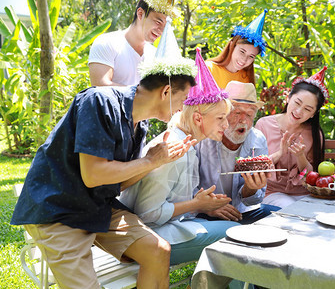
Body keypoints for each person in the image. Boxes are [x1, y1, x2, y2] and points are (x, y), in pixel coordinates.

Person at [10, 16, 197, 289]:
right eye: (183, 100)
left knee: (159, 250)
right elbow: (94, 175)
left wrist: (157, 162)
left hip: (98, 208)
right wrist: (149, 160)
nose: (183, 109)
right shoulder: (99, 101)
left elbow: (117, 182)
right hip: (59, 211)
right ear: (166, 91)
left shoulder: (139, 124)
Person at [119, 48, 239, 265]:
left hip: (161, 229)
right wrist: (196, 205)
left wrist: (206, 205)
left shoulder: (187, 144)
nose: (227, 125)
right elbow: (148, 214)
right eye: (221, 117)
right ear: (198, 118)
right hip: (147, 239)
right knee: (237, 236)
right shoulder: (174, 148)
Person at [195, 81, 280, 224]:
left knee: (278, 216)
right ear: (223, 113)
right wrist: (208, 208)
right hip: (201, 212)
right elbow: (185, 190)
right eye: (237, 112)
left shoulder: (257, 140)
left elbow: (253, 200)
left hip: (238, 212)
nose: (243, 120)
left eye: (249, 114)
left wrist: (251, 188)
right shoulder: (204, 138)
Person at [255, 67, 328, 208]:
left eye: (307, 109)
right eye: (297, 103)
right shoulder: (264, 124)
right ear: (289, 98)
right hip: (271, 193)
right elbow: (255, 167)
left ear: (314, 113)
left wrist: (301, 156)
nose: (299, 111)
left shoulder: (314, 133)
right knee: (291, 208)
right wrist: (280, 153)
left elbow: (310, 177)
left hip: (303, 193)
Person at [88, 0, 177, 86]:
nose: (161, 30)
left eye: (165, 26)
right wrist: (144, 94)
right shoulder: (107, 43)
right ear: (140, 14)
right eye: (158, 22)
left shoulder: (156, 56)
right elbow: (100, 85)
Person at [206, 9, 267, 89]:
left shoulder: (246, 79)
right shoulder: (209, 69)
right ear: (232, 45)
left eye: (251, 56)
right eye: (242, 51)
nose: (244, 59)